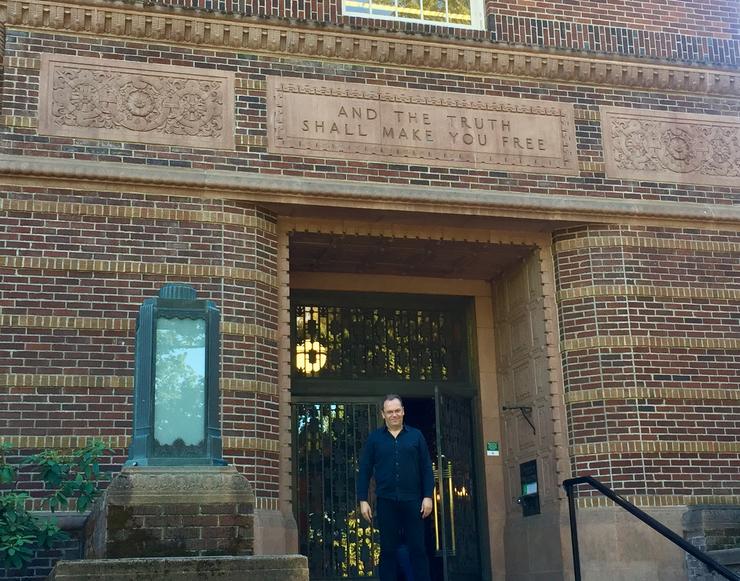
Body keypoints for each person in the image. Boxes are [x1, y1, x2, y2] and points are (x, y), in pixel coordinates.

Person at [357, 394, 434, 581]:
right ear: (383, 414)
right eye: (390, 412)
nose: (394, 415)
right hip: (386, 501)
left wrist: (428, 496)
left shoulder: (416, 436)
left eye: (397, 411)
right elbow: (365, 470)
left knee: (418, 549)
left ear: (403, 411)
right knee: (388, 550)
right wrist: (363, 500)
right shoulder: (375, 439)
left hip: (413, 500)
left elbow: (426, 468)